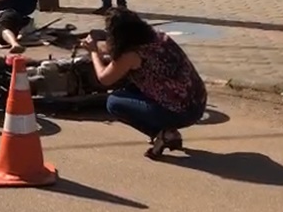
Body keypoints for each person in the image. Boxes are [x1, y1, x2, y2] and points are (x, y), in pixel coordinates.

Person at [81, 8, 207, 159]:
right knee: (130, 86)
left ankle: (164, 133)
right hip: (197, 101)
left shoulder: (132, 55)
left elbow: (104, 79)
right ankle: (168, 132)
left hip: (182, 112)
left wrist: (93, 52)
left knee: (113, 102)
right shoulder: (157, 37)